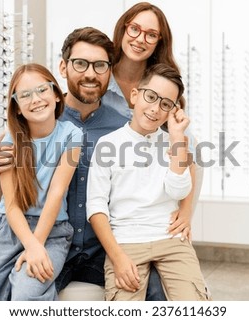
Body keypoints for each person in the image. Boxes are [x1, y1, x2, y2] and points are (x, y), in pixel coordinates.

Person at [0, 27, 168, 300]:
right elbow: (9, 198)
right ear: (63, 66)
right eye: (80, 63)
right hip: (52, 243)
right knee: (18, 293)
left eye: (100, 65)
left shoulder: (124, 129)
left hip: (103, 251)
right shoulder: (41, 121)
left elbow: (144, 191)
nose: (90, 74)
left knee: (156, 289)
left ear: (110, 71)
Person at [87, 63, 208, 300]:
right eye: (151, 97)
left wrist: (176, 138)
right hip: (126, 243)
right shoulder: (107, 145)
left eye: (165, 104)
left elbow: (178, 189)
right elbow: (96, 208)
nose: (155, 109)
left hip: (171, 240)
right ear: (134, 95)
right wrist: (117, 257)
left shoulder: (173, 142)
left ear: (172, 111)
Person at [0, 63, 82, 301]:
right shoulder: (10, 140)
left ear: (55, 93)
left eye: (42, 90)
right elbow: (10, 206)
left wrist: (37, 245)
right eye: (25, 95)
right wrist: (30, 244)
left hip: (51, 231)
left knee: (26, 293)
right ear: (18, 107)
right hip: (9, 230)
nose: (36, 99)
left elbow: (56, 192)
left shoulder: (72, 135)